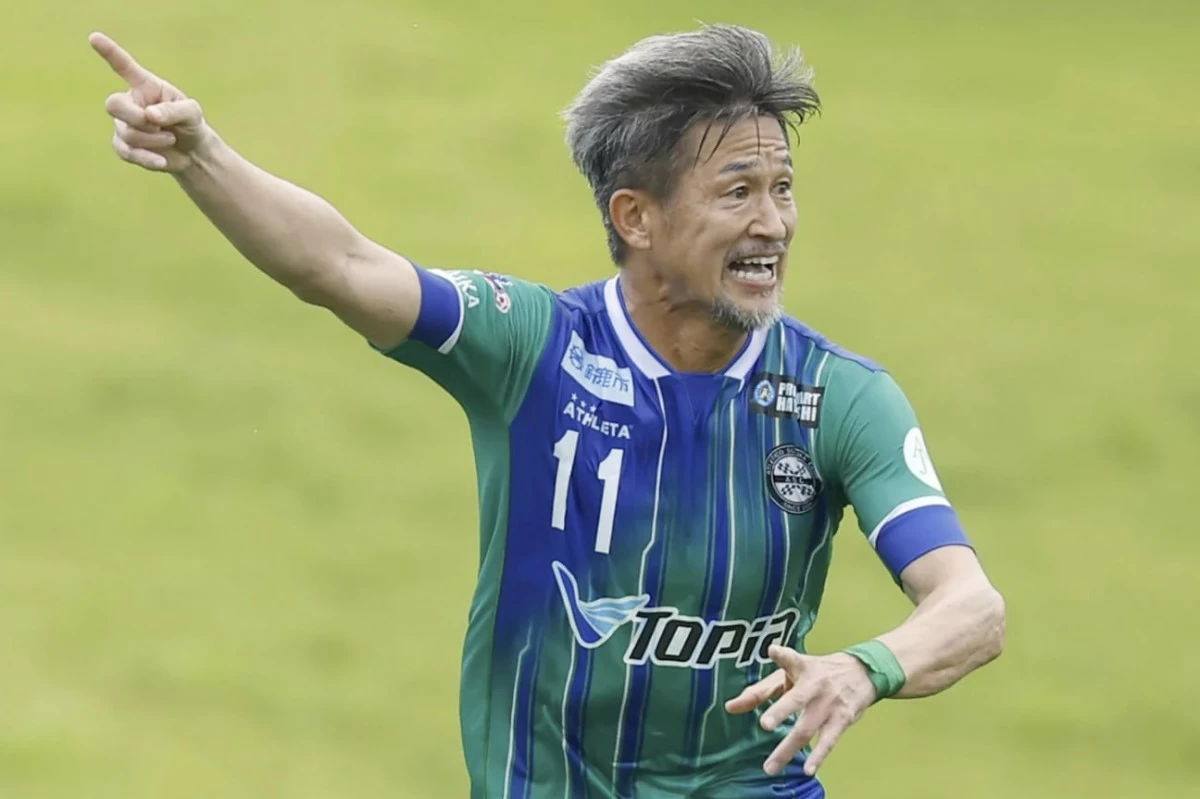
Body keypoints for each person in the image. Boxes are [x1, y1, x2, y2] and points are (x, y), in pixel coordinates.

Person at [89, 23, 1005, 798]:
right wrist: (201, 155)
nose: (774, 223)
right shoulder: (534, 345)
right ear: (635, 217)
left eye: (783, 188)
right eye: (737, 193)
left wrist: (863, 668)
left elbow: (970, 605)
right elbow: (341, 266)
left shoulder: (837, 396)